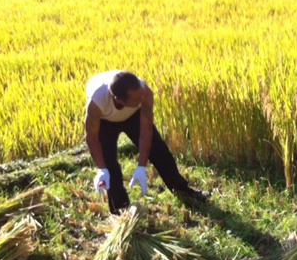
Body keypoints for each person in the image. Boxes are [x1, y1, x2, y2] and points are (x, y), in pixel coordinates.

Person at [84, 70, 208, 214]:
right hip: (105, 120)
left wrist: (141, 166)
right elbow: (91, 136)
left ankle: (184, 192)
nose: (142, 98)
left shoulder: (144, 92)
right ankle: (121, 210)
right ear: (119, 100)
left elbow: (146, 130)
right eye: (137, 98)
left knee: (159, 151)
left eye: (141, 94)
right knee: (110, 168)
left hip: (133, 115)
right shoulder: (97, 103)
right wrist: (102, 169)